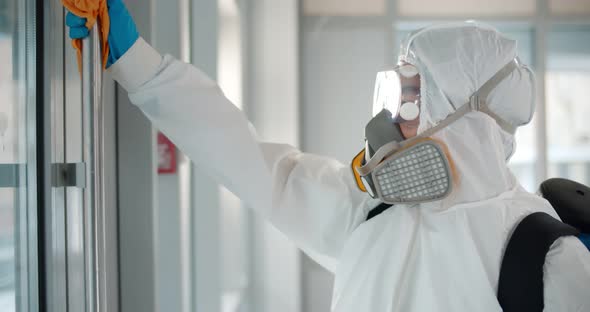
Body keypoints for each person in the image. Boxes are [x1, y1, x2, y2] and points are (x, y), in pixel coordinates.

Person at [66, 1, 590, 311]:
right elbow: (244, 157)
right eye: (396, 95)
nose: (392, 120)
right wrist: (138, 65)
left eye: (412, 97)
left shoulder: (547, 258)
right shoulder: (368, 210)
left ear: (467, 113)